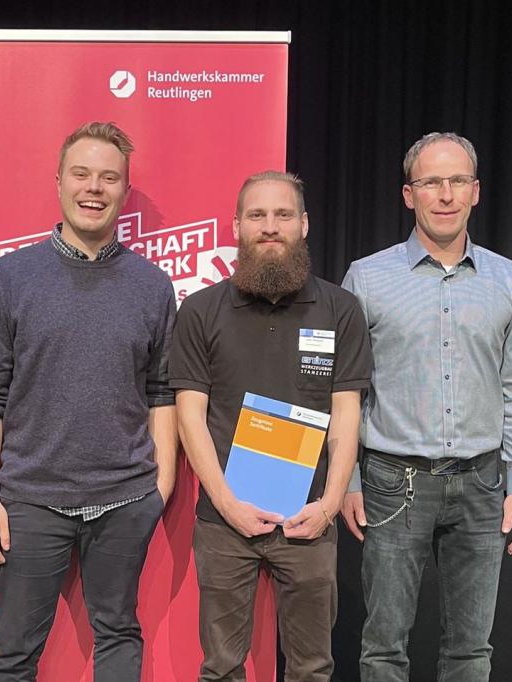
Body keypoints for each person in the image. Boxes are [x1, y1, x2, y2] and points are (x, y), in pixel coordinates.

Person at [0, 121, 178, 681]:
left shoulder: (153, 286)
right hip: (30, 501)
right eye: (81, 174)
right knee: (13, 655)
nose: (94, 188)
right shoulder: (10, 278)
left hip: (124, 498)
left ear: (124, 189)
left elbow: (162, 392)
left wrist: (161, 487)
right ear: (58, 182)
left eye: (109, 177)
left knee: (119, 633)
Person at [340, 132, 512, 681]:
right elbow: (345, 391)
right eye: (431, 182)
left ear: (476, 191)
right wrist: (346, 480)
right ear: (408, 194)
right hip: (392, 483)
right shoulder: (367, 277)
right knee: (384, 647)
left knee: (470, 651)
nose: (446, 194)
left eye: (458, 181)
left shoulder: (508, 278)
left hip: (482, 485)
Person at [170, 171, 372, 681]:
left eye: (283, 214)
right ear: (236, 226)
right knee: (221, 668)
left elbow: (346, 414)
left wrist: (329, 505)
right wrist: (226, 503)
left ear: (304, 224)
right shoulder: (199, 310)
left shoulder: (340, 310)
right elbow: (189, 415)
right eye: (256, 215)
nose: (270, 226)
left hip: (310, 520)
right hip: (224, 523)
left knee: (312, 667)